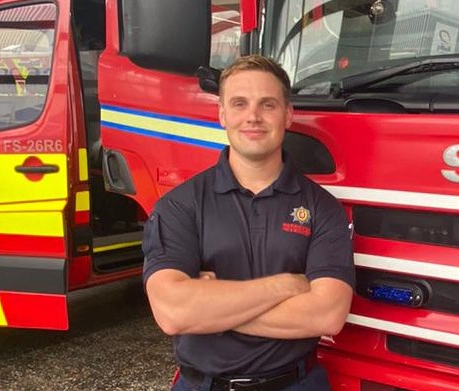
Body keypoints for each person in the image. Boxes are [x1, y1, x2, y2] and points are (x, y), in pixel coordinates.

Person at [142, 55, 355, 391]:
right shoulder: (180, 205)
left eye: (267, 104)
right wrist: (287, 285)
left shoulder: (323, 208)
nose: (253, 117)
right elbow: (173, 312)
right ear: (223, 115)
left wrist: (209, 308)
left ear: (287, 116)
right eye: (239, 103)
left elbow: (327, 315)